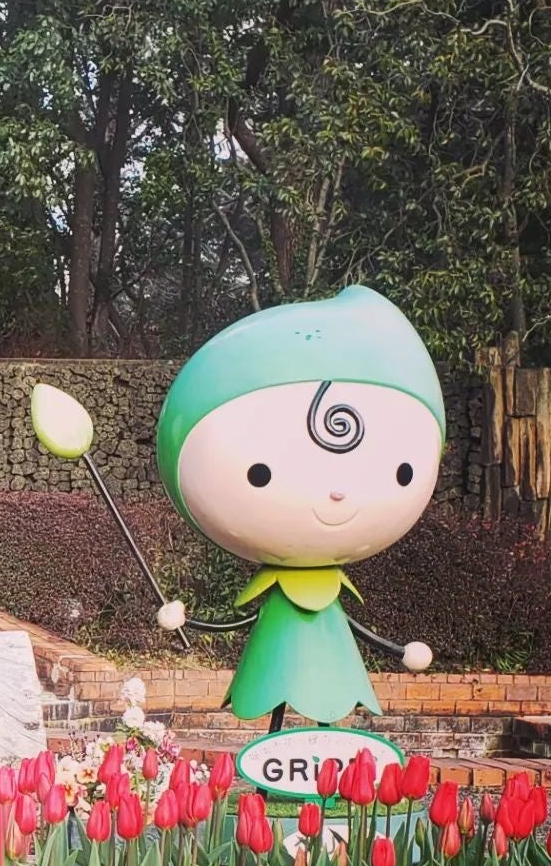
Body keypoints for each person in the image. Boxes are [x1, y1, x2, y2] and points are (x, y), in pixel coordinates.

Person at [154, 285, 440, 728]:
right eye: (260, 473)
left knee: (331, 717)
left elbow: (349, 629)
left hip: (335, 661)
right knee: (278, 711)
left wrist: (398, 651)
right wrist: (191, 623)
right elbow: (243, 620)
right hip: (276, 654)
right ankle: (286, 756)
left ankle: (327, 756)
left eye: (402, 472)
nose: (338, 493)